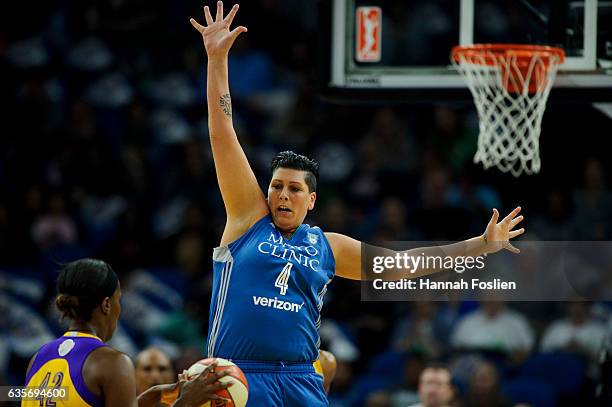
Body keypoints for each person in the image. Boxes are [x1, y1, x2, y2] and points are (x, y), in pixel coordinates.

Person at [189, 2, 525, 405]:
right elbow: (222, 133)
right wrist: (216, 59)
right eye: (277, 186)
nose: (282, 194)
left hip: (300, 378)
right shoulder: (247, 218)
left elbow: (403, 267)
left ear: (311, 200)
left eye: (295, 189)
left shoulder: (327, 246)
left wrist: (480, 245)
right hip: (240, 373)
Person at [22, 259, 230, 407]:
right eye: (118, 299)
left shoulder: (38, 357)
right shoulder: (111, 363)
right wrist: (185, 403)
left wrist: (145, 400)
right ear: (106, 305)